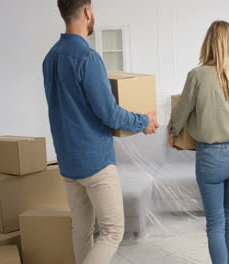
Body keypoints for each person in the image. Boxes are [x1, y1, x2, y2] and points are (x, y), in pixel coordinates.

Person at [43, 1, 159, 263]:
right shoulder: (88, 58)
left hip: (68, 162)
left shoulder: (50, 57)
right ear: (87, 11)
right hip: (95, 161)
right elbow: (109, 113)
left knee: (82, 230)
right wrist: (144, 121)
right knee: (112, 231)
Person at [168, 20, 229, 264]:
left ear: (209, 44)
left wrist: (173, 132)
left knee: (215, 222)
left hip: (210, 156)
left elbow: (182, 111)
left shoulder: (197, 75)